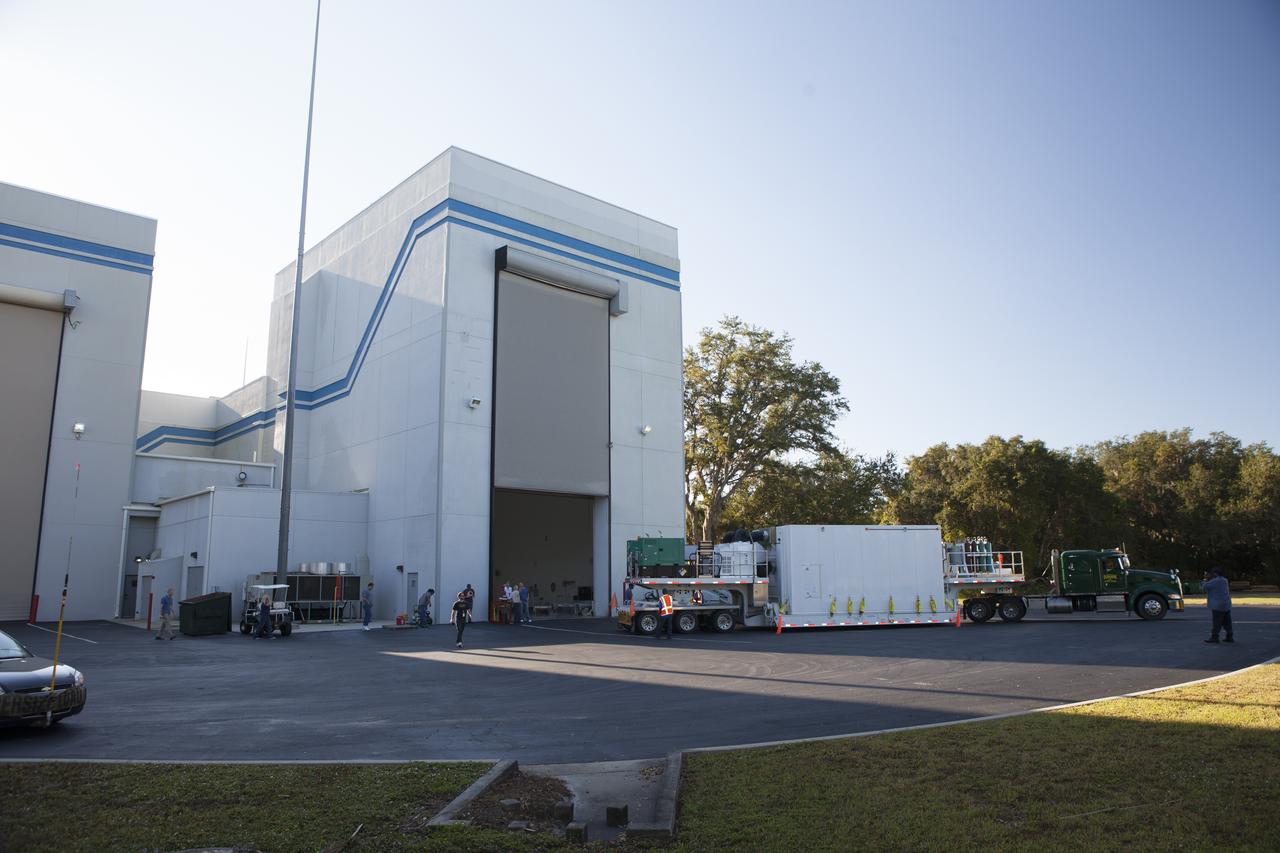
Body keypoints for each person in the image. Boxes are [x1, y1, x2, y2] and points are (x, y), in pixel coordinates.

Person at [1203, 568, 1234, 643]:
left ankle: (1214, 637)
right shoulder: (1224, 580)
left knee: (1217, 622)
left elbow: (1204, 587)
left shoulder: (1215, 581)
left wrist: (1206, 579)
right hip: (1226, 604)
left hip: (1217, 605)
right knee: (1227, 621)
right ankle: (1229, 636)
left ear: (1215, 574)